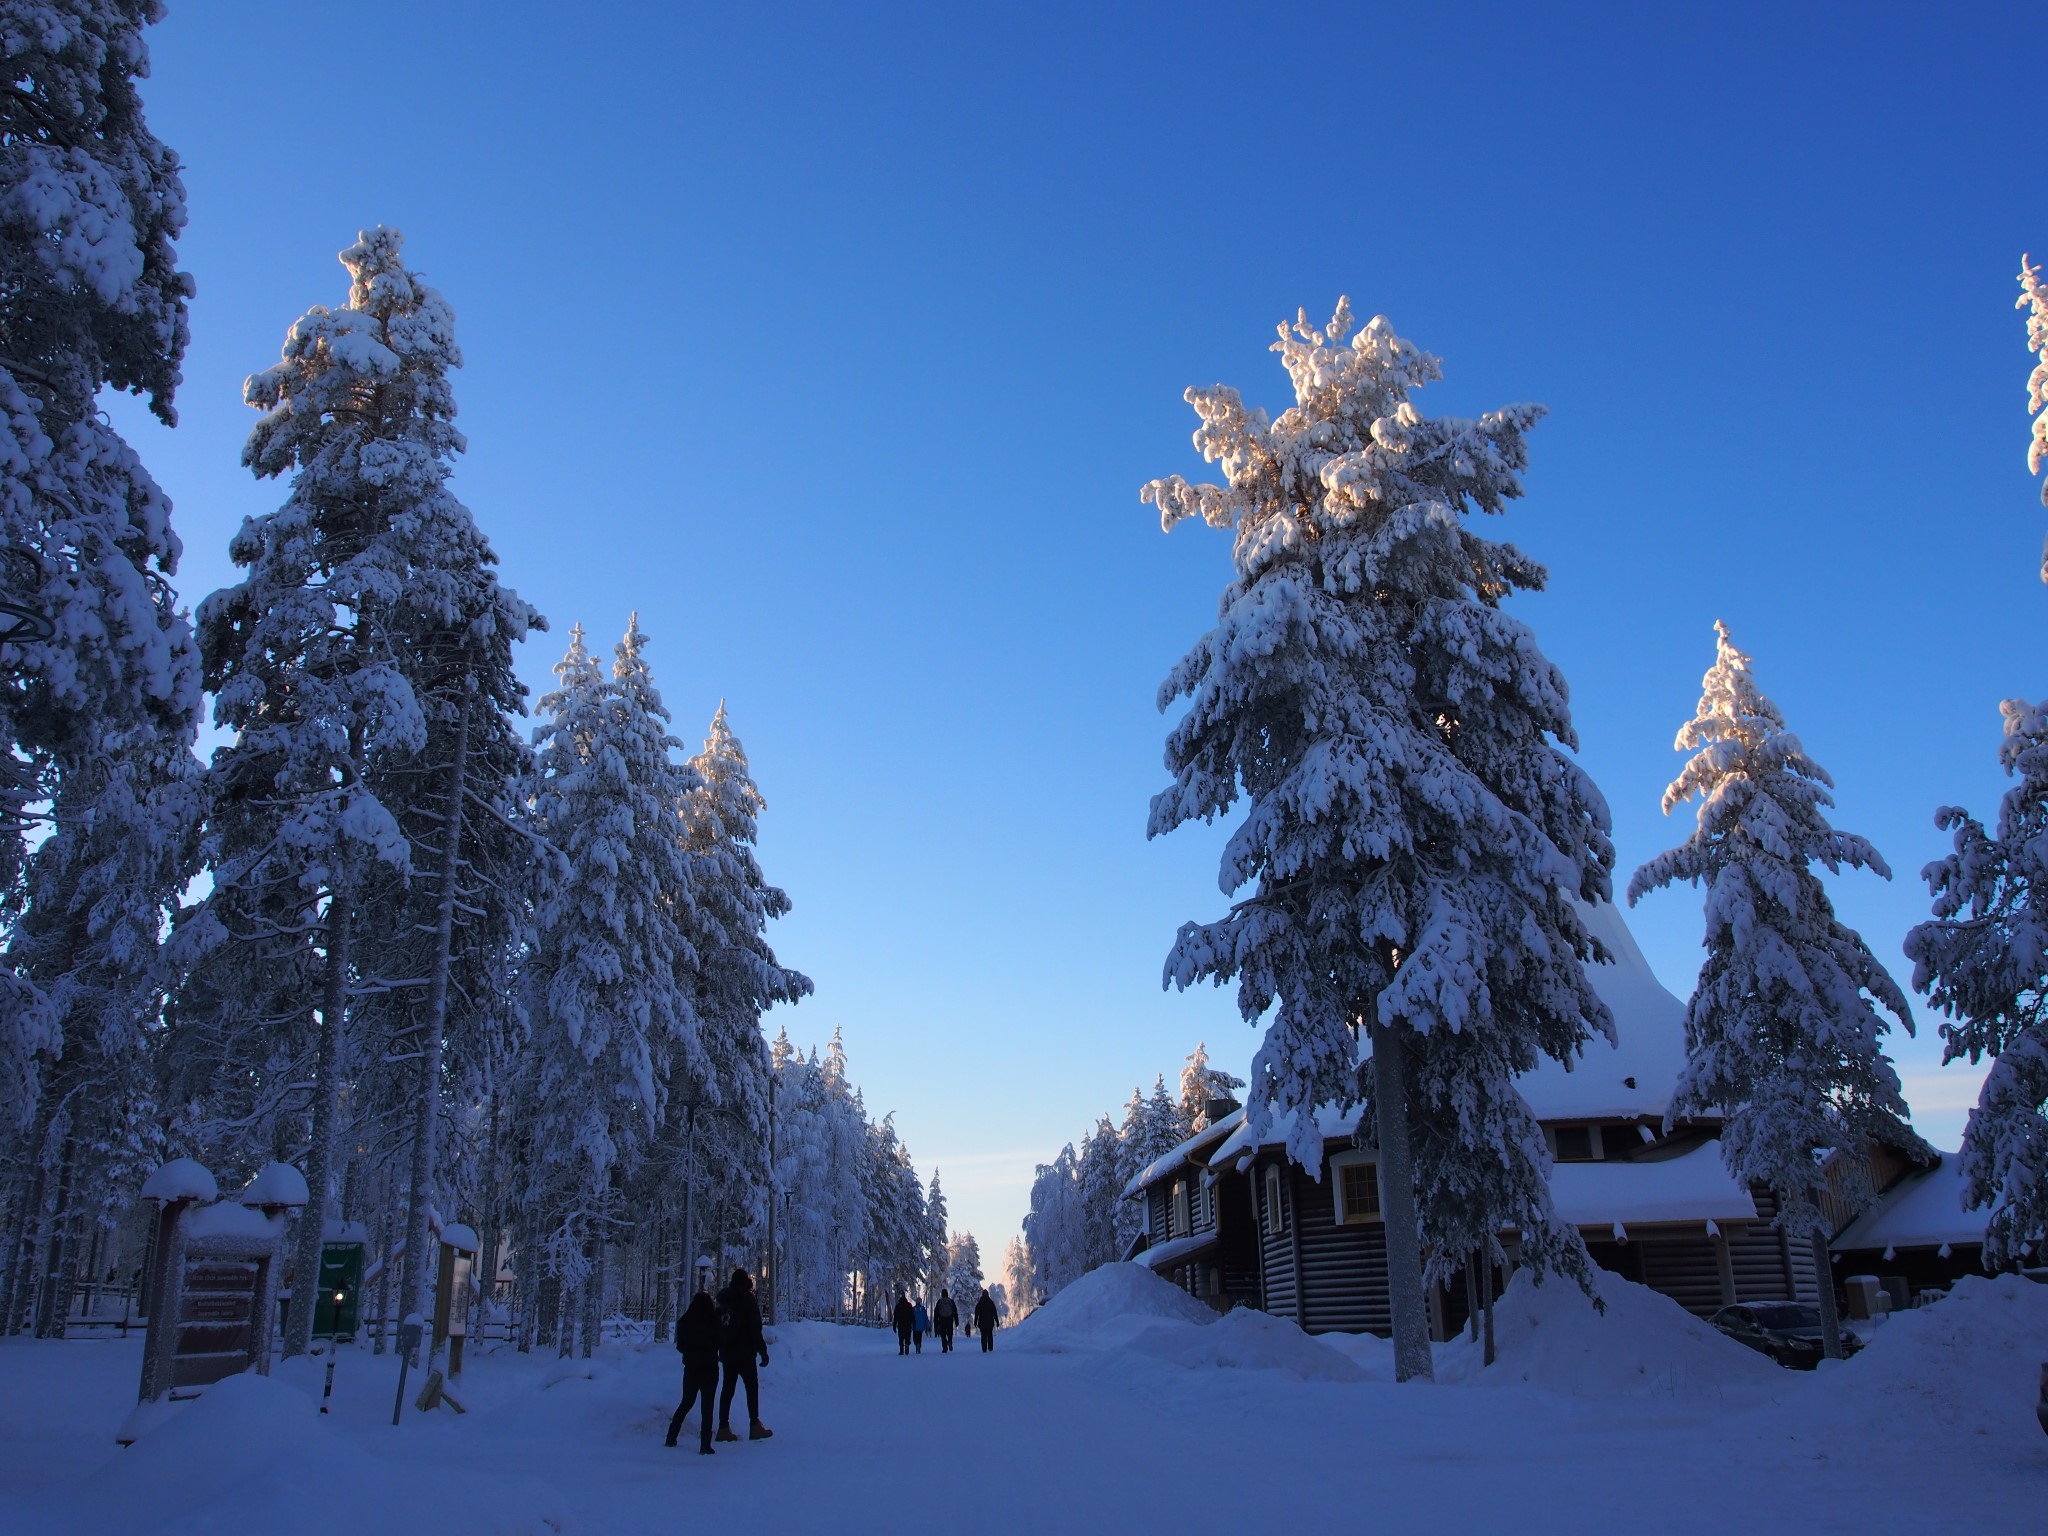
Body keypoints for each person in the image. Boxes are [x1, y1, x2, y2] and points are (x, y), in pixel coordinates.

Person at [715, 1267, 773, 1442]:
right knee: (751, 1388)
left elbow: (717, 1326)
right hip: (746, 1352)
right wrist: (762, 1351)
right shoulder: (747, 1300)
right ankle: (754, 1425)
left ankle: (723, 1426)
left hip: (727, 1353)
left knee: (727, 1389)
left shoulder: (723, 1302)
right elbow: (755, 1328)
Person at [666, 1291, 721, 1454]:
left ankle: (671, 1436)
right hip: (710, 1367)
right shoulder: (713, 1321)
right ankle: (705, 1445)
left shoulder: (685, 1322)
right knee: (708, 1406)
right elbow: (720, 1341)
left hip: (691, 1368)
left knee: (686, 1402)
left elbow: (680, 1346)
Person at [973, 1287, 998, 1352]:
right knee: (990, 1335)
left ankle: (984, 1348)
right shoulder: (991, 1302)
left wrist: (975, 1322)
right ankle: (990, 1348)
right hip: (990, 1322)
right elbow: (994, 1313)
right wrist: (997, 1321)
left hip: (982, 1323)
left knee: (983, 1336)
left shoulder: (980, 1303)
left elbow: (976, 1313)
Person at [892, 1290, 914, 1355]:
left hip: (900, 1324)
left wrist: (894, 1325)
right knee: (907, 1336)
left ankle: (901, 1350)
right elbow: (912, 1315)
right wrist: (913, 1322)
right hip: (908, 1324)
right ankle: (907, 1345)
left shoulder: (898, 1306)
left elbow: (895, 1316)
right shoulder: (909, 1305)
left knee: (901, 1337)